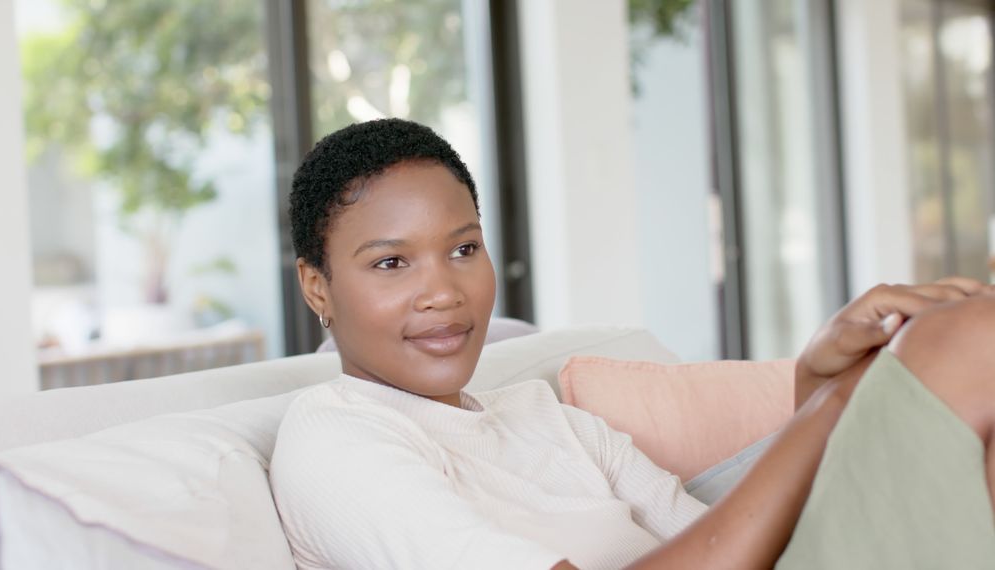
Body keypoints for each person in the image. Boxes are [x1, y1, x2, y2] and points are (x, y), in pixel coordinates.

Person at [271, 118, 995, 569]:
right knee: (961, 342)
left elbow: (736, 541)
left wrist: (822, 381)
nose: (443, 292)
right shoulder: (335, 437)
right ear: (317, 287)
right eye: (392, 263)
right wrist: (836, 404)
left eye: (463, 250)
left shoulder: (541, 414)